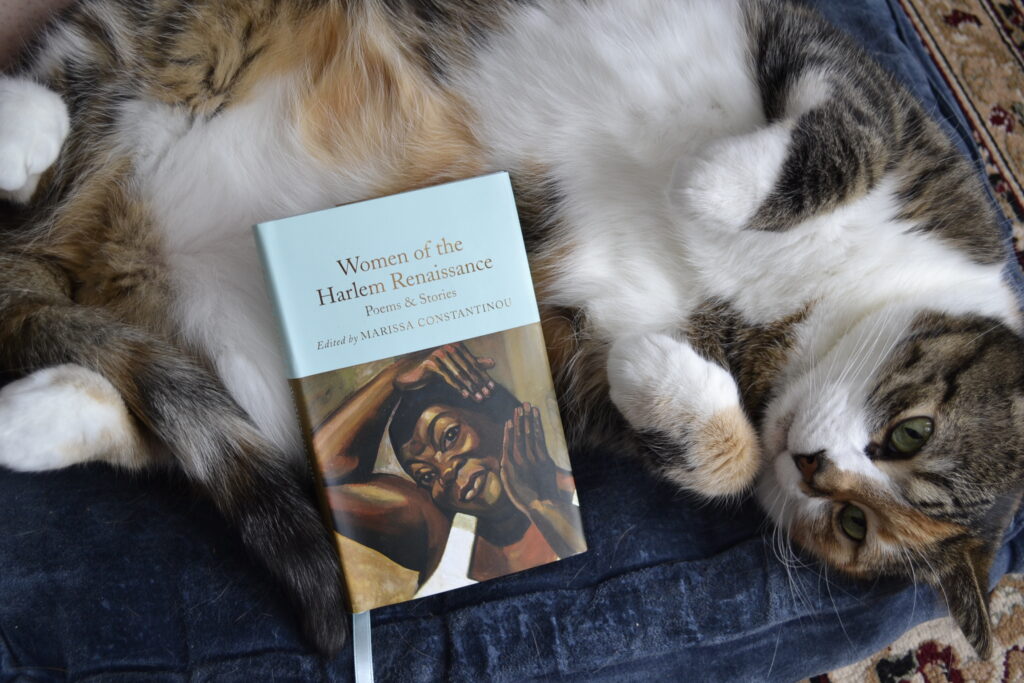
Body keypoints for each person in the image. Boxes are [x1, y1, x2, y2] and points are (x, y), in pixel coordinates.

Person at [313, 342, 585, 587]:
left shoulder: (584, 485)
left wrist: (539, 504)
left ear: (499, 415)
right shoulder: (440, 530)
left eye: (449, 436)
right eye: (427, 476)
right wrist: (394, 377)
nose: (446, 472)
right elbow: (323, 472)